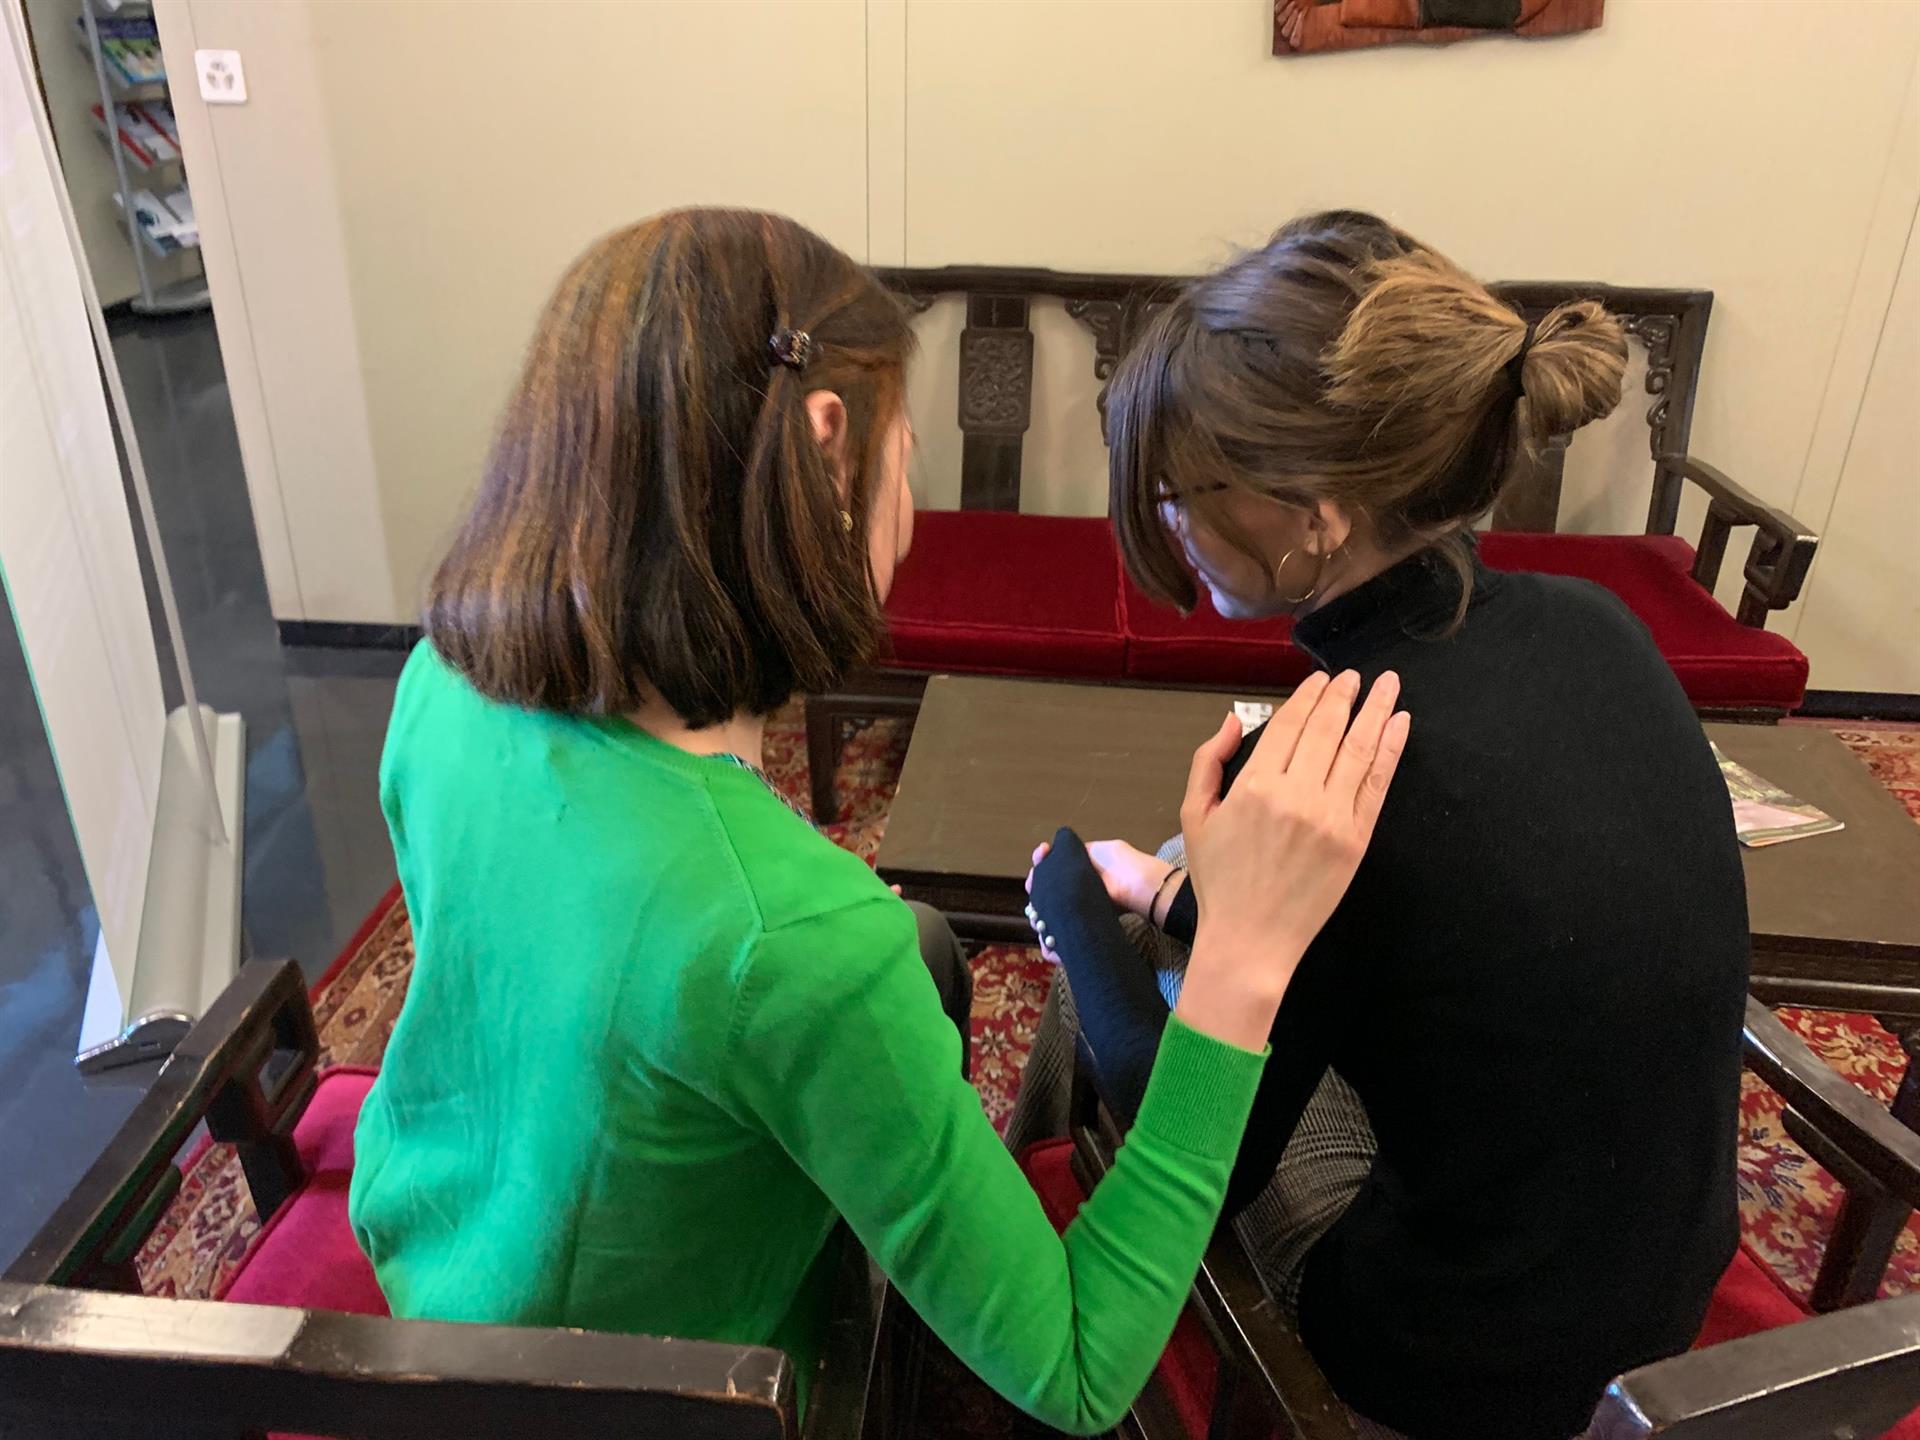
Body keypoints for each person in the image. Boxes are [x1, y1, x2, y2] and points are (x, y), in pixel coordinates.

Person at [346, 208, 1410, 1436]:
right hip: (645, 1394)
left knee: (919, 944)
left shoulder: (442, 686)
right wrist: (1237, 971)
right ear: (828, 441)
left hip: (444, 1261)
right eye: (908, 455)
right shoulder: (800, 943)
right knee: (898, 956)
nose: (913, 496)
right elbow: (1077, 1369)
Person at [1008, 210, 1749, 1440]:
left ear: (1316, 512)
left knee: (1108, 988)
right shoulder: (1598, 626)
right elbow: (1420, 934)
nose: (1170, 520)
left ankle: (1045, 1287)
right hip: (1659, 1285)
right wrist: (1171, 887)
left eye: (1184, 491)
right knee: (1174, 892)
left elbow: (1207, 1148)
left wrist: (1072, 898)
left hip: (1457, 1358)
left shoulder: (1340, 769)